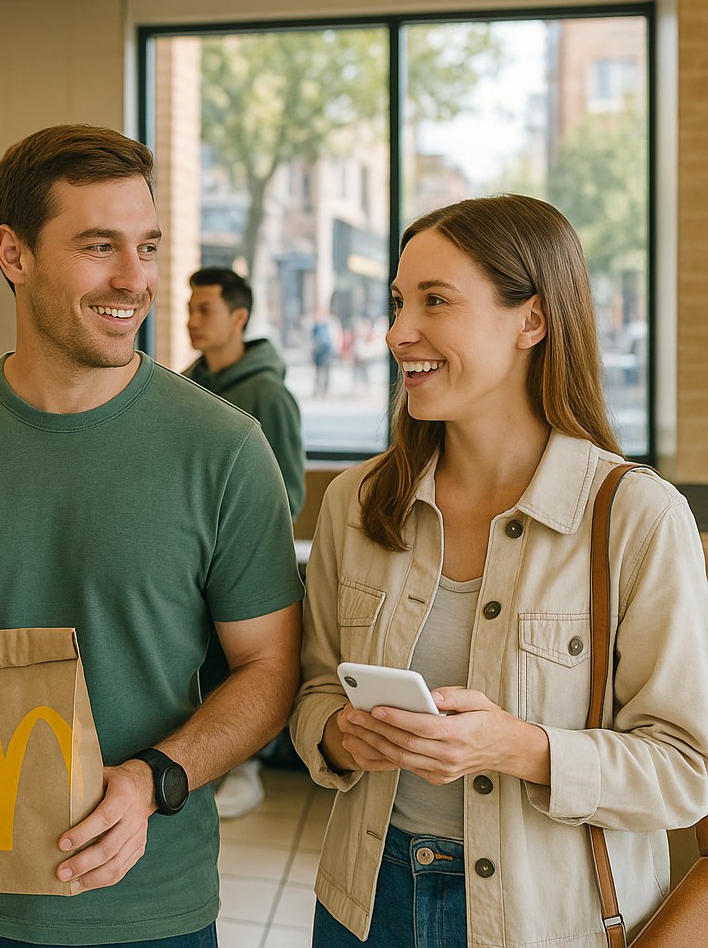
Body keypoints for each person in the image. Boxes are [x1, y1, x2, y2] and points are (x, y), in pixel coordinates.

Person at [0, 124, 304, 948]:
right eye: (98, 246)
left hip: (150, 911)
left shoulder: (224, 447)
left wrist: (156, 778)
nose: (136, 279)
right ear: (15, 255)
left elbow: (271, 672)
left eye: (147, 246)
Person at [291, 194, 708, 947]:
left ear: (533, 321)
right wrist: (338, 735)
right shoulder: (358, 502)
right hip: (363, 907)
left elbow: (687, 770)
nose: (395, 333)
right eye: (397, 302)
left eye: (436, 301)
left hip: (548, 921)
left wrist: (517, 747)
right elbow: (315, 688)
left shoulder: (639, 518)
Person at [184, 266, 306, 819]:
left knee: (242, 667)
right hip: (186, 562)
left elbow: (288, 492)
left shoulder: (267, 394)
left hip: (233, 567)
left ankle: (245, 765)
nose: (191, 321)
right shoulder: (186, 384)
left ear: (238, 317)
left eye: (204, 310)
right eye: (189, 308)